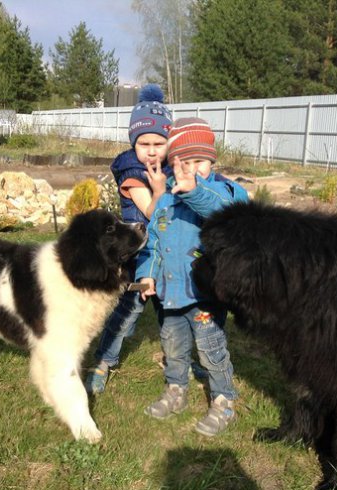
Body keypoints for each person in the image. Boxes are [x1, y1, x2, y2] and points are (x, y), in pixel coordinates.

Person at [136, 117, 249, 437]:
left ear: (211, 160)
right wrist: (148, 276)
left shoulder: (222, 191)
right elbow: (154, 244)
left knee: (211, 349)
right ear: (172, 164)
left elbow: (228, 217)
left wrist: (195, 192)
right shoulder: (166, 201)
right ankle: (176, 389)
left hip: (204, 295)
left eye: (198, 161)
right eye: (182, 162)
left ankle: (223, 399)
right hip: (170, 294)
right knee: (173, 347)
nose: (190, 169)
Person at [83, 84, 172, 394]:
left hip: (166, 251)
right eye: (143, 142)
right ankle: (104, 361)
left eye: (158, 143)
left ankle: (176, 362)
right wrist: (162, 190)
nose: (150, 150)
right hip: (138, 254)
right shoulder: (133, 171)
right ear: (134, 142)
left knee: (170, 310)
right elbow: (151, 209)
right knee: (128, 311)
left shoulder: (167, 168)